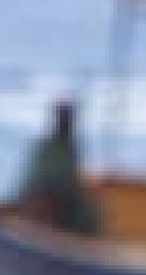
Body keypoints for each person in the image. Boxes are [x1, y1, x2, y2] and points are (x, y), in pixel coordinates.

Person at [19, 97, 97, 233]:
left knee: (89, 213)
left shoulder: (70, 148)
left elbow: (71, 182)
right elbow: (38, 181)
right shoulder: (48, 147)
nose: (66, 122)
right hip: (46, 200)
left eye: (68, 118)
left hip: (60, 202)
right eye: (64, 118)